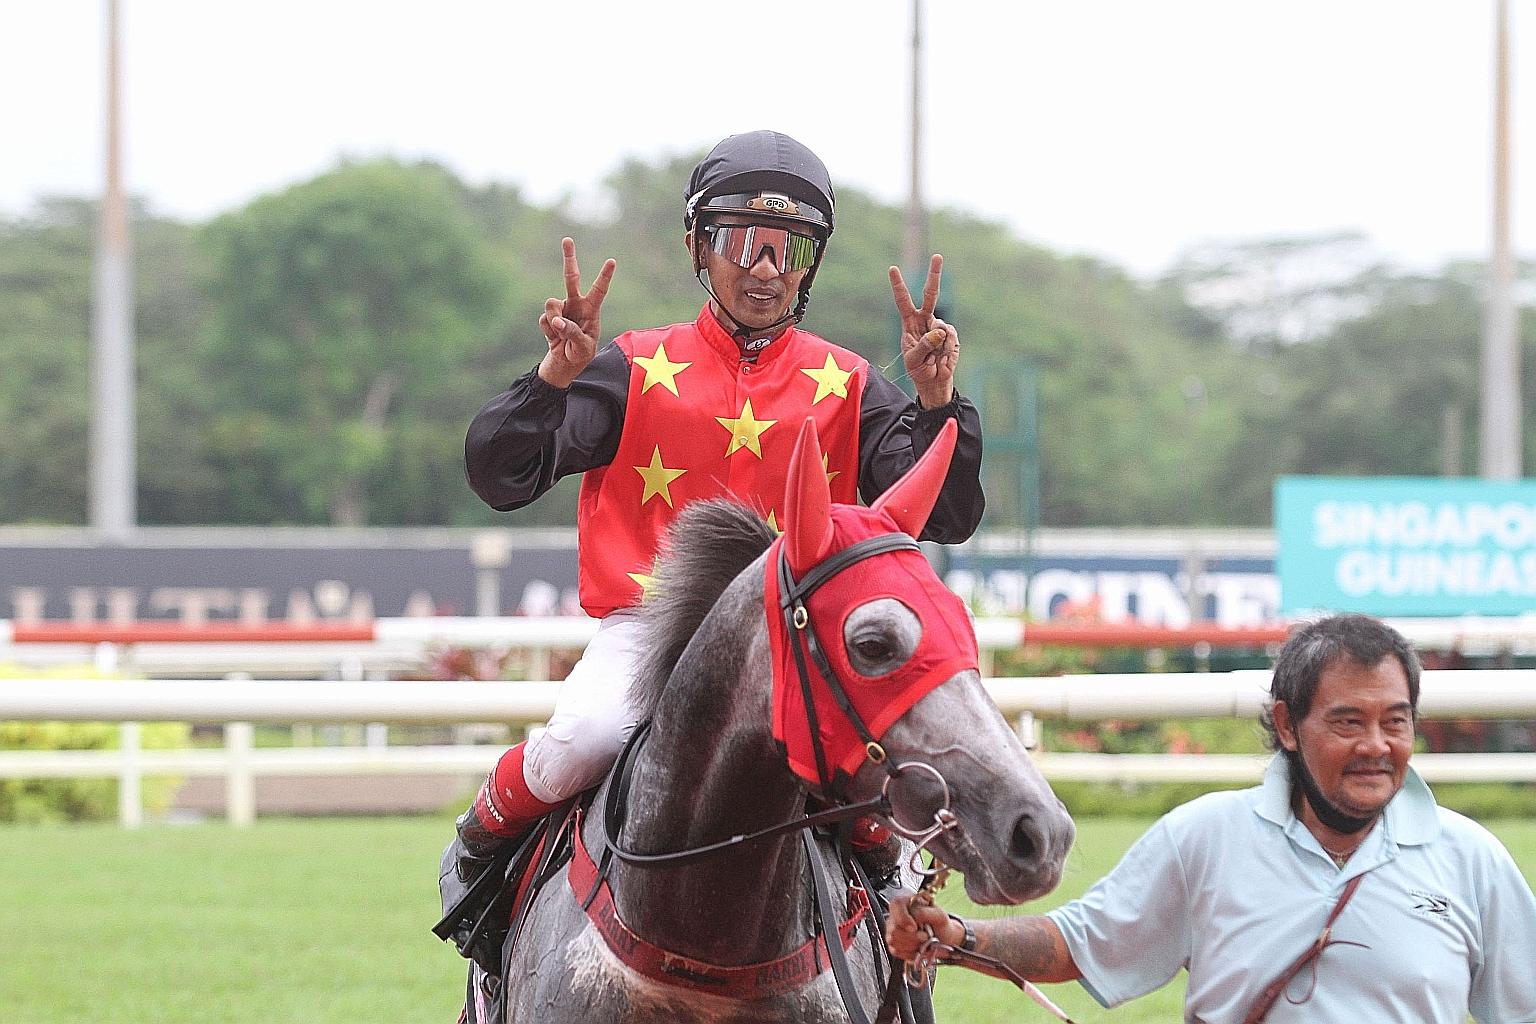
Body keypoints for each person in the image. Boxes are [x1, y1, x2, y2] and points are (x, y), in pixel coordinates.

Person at [453, 130, 985, 861]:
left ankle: (894, 947)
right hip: (650, 631)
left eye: (790, 248)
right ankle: (479, 859)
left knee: (878, 807)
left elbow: (949, 516)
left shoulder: (853, 383)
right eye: (743, 241)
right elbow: (501, 476)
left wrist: (935, 402)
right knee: (583, 740)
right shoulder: (635, 366)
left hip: (800, 635)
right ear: (698, 249)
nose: (766, 269)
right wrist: (552, 378)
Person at [886, 613, 1536, 1023]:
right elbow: (1082, 943)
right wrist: (956, 939)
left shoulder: (1471, 859)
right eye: (1347, 722)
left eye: (1395, 722)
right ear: (1287, 723)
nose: (1376, 746)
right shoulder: (1203, 837)